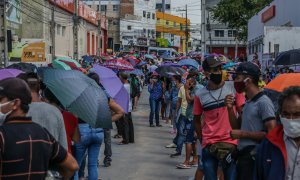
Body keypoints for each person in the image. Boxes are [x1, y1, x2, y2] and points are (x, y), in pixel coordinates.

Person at [0, 78, 78, 179]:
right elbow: (72, 166)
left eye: (1, 99)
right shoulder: (43, 134)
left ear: (15, 103)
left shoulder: (2, 135)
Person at [193, 56, 245, 180]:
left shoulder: (233, 88)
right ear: (206, 72)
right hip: (209, 145)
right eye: (214, 69)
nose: (218, 72)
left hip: (231, 144)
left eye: (220, 68)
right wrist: (202, 140)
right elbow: (196, 120)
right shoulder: (200, 94)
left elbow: (242, 113)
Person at [225, 62, 276, 180]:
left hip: (253, 158)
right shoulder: (248, 102)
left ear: (248, 80)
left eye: (238, 78)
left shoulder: (263, 102)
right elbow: (237, 127)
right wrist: (229, 109)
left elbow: (272, 134)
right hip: (243, 157)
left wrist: (243, 134)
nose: (235, 81)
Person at [254, 86, 300, 180]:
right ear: (280, 115)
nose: (290, 119)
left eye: (297, 114)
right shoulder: (268, 145)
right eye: (286, 114)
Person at [18, 73, 68, 150]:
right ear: (39, 88)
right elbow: (63, 147)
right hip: (51, 160)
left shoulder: (16, 112)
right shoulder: (55, 111)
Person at [176, 74, 203, 169]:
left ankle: (187, 161)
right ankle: (195, 159)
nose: (185, 84)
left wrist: (187, 89)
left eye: (187, 83)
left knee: (188, 140)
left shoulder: (197, 89)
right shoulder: (199, 88)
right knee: (194, 140)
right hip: (193, 117)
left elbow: (190, 100)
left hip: (193, 117)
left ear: (191, 82)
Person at [43, 88, 81, 155]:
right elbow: (76, 139)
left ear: (46, 99)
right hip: (66, 156)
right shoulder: (70, 116)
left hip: (48, 155)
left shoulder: (42, 115)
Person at [165, 75, 182, 148]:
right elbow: (170, 96)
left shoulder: (182, 87)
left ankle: (179, 136)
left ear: (177, 80)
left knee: (178, 120)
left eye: (174, 79)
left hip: (180, 106)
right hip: (173, 105)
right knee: (174, 118)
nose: (173, 81)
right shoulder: (173, 88)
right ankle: (176, 132)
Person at [119, 73, 135, 144]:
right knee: (129, 123)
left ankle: (125, 139)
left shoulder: (123, 87)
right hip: (129, 106)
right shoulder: (129, 85)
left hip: (124, 107)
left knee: (124, 124)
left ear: (122, 78)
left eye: (120, 77)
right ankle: (131, 138)